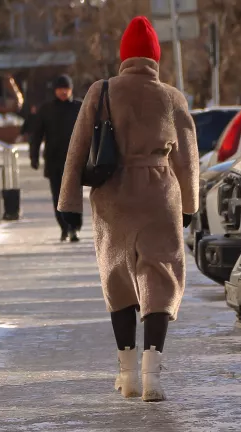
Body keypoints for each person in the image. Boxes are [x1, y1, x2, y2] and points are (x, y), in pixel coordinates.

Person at [57, 16, 198, 402]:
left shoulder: (100, 91)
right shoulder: (172, 97)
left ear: (123, 56)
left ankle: (127, 375)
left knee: (117, 278)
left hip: (113, 196)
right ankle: (153, 375)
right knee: (160, 279)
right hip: (159, 195)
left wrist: (68, 201)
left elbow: (77, 149)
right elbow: (187, 158)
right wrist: (189, 205)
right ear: (155, 57)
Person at [29, 75, 83, 242]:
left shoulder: (79, 108)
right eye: (60, 89)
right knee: (58, 197)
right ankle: (64, 227)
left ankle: (74, 228)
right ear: (55, 90)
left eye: (66, 88)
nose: (63, 92)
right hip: (54, 161)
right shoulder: (46, 109)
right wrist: (34, 156)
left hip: (75, 160)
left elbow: (90, 133)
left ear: (71, 89)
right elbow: (36, 135)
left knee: (74, 196)